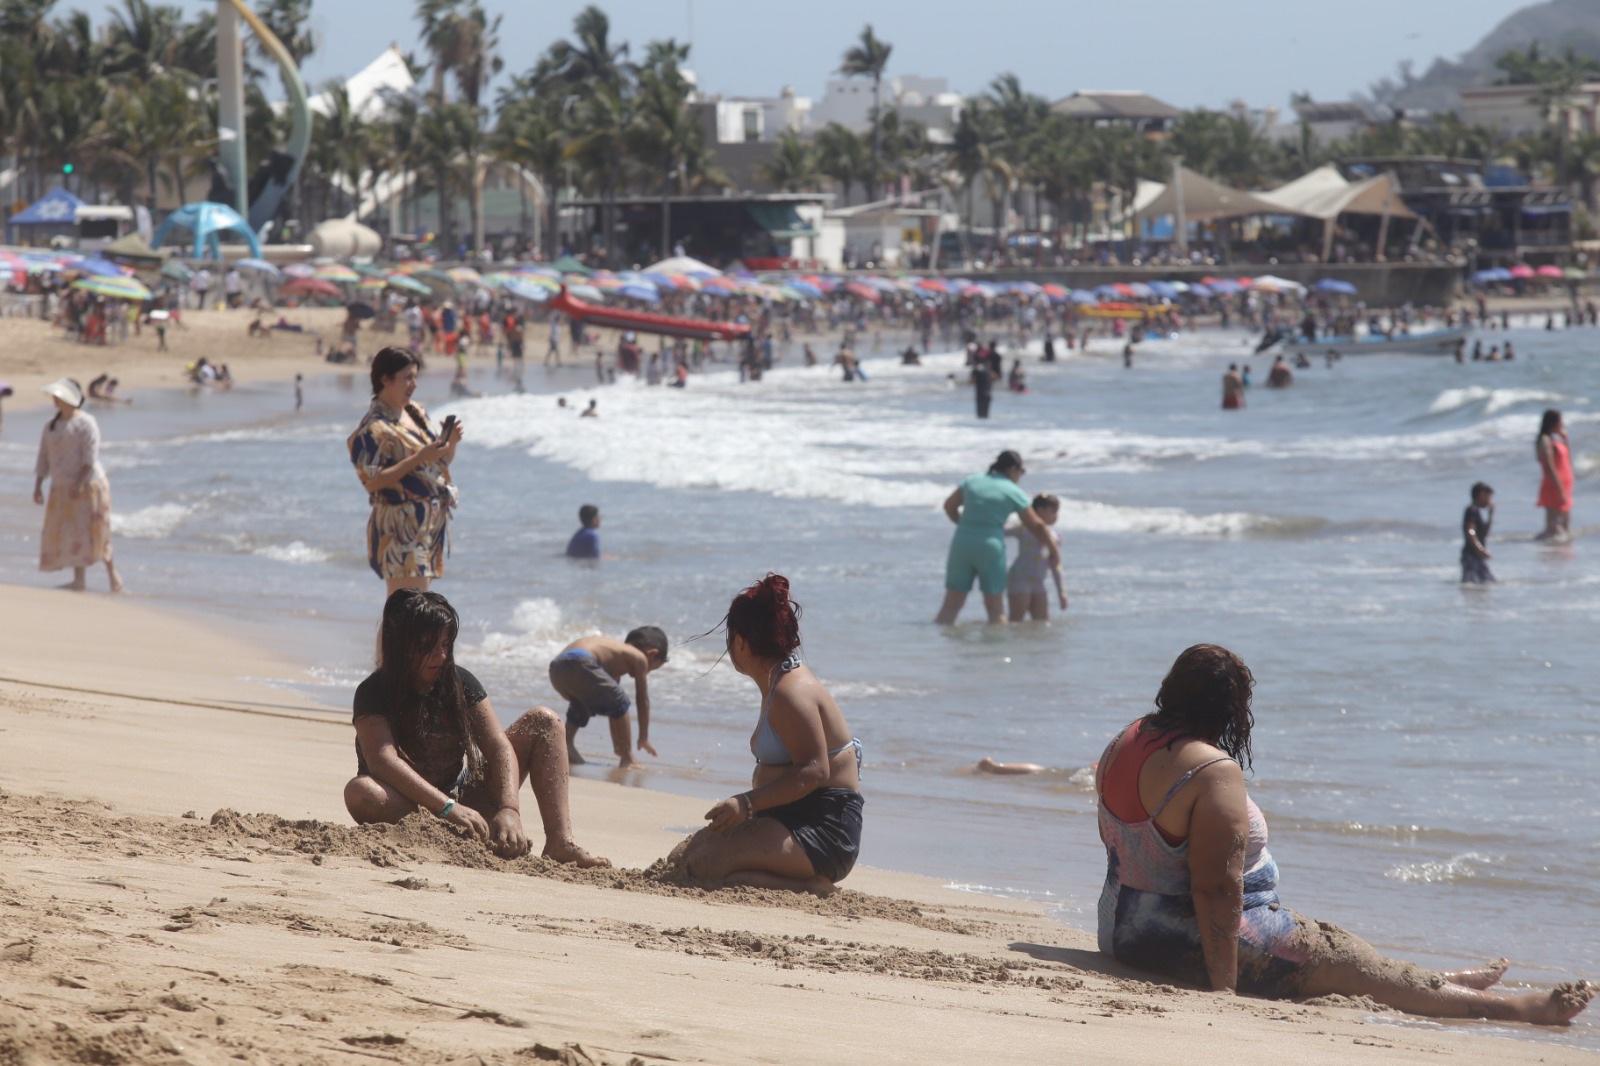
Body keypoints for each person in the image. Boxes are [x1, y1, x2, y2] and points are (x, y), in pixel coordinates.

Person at [1096, 644, 1594, 1025]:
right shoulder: (1211, 771)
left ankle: (1437, 982)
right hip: (1181, 937)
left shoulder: (1130, 737)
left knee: (1345, 952)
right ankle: (1517, 1010)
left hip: (1123, 924)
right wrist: (1224, 989)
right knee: (1341, 957)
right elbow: (1215, 888)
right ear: (1229, 708)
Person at [344, 590, 607, 867]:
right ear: (402, 645)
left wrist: (509, 808)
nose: (441, 655)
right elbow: (383, 762)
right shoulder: (373, 692)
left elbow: (497, 745)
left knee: (545, 721)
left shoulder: (460, 683)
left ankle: (559, 842)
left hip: (466, 802)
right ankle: (441, 832)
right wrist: (446, 809)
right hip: (408, 806)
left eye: (446, 644)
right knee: (361, 792)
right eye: (429, 646)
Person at [675, 574, 863, 894]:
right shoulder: (778, 683)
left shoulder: (792, 693)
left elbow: (815, 771)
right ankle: (794, 877)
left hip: (824, 832)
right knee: (684, 858)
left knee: (705, 868)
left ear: (740, 643)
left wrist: (746, 804)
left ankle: (810, 885)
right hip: (791, 818)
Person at [347, 347, 462, 597]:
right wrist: (419, 458)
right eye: (407, 378)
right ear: (385, 379)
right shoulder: (373, 429)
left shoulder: (414, 412)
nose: (414, 384)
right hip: (399, 527)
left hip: (428, 524)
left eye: (415, 377)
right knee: (403, 611)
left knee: (416, 609)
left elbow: (438, 465)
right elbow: (372, 482)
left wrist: (451, 444)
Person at [936, 450, 1061, 625]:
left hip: (962, 543)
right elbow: (1037, 526)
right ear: (1012, 469)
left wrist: (966, 526)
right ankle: (997, 652)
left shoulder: (972, 481)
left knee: (950, 606)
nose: (1020, 476)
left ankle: (937, 649)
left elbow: (949, 506)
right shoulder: (1012, 490)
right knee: (995, 609)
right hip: (990, 546)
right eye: (1021, 472)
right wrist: (1054, 551)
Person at [33, 378, 122, 593]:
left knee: (97, 531)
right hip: (61, 486)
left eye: (58, 396)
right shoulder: (51, 426)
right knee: (73, 534)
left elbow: (89, 458)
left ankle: (113, 577)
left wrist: (79, 484)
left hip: (89, 486)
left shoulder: (86, 423)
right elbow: (43, 457)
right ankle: (78, 580)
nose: (55, 400)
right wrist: (38, 485)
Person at [551, 627, 668, 768]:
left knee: (581, 703)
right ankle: (627, 757)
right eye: (651, 669)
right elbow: (642, 700)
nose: (646, 672)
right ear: (652, 654)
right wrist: (643, 737)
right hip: (582, 662)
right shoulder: (640, 658)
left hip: (557, 668)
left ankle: (566, 744)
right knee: (620, 701)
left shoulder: (613, 651)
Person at [1005, 493, 1068, 622]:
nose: (1056, 515)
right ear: (1040, 510)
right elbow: (999, 530)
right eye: (1053, 511)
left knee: (1042, 622)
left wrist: (1061, 592)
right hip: (1020, 578)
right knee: (1016, 621)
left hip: (1039, 581)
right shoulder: (1024, 527)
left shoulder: (1054, 536)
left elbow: (1055, 564)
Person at [1535, 409, 1573, 542]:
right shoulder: (1545, 440)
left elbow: (1567, 458)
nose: (1562, 425)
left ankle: (1558, 553)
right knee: (1554, 527)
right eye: (1560, 422)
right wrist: (1559, 487)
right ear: (1553, 423)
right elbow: (1549, 467)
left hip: (1563, 484)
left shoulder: (1555, 439)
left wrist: (1565, 439)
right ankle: (1549, 554)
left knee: (1564, 524)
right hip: (1554, 485)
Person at [1461, 482, 1495, 585]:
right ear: (1481, 495)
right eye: (1488, 497)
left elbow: (1484, 534)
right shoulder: (1472, 510)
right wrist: (1480, 549)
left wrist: (1490, 515)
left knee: (1487, 583)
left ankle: (1477, 601)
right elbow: (1470, 531)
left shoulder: (1476, 511)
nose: (1490, 500)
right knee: (1471, 585)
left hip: (1476, 556)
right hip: (1471, 556)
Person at [971, 355, 994, 419]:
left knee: (982, 405)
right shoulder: (986, 371)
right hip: (984, 391)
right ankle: (983, 415)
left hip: (982, 391)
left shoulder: (982, 370)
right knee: (983, 405)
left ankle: (982, 415)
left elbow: (973, 378)